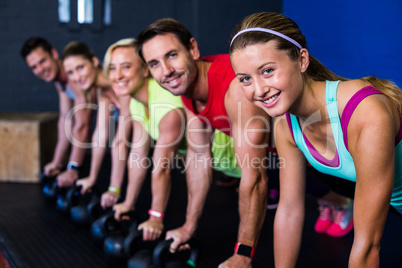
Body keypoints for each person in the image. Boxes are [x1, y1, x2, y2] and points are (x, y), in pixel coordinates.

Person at [229, 11, 402, 268]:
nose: (258, 90)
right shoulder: (286, 126)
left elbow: (366, 247)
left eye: (267, 71)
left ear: (301, 60)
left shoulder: (364, 112)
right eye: (245, 79)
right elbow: (289, 211)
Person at [137, 18, 273, 268]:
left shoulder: (234, 87)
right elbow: (199, 159)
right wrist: (189, 227)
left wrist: (243, 255)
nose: (166, 71)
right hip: (284, 155)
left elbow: (255, 178)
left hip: (322, 150)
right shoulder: (188, 90)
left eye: (172, 55)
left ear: (193, 49)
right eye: (154, 63)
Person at [102, 38, 186, 240]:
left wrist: (156, 217)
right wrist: (128, 202)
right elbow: (138, 155)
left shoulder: (167, 101)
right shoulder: (136, 102)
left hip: (235, 159)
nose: (117, 75)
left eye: (126, 67)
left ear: (145, 70)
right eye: (112, 68)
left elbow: (162, 166)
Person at [61, 41, 133, 191]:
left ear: (94, 61)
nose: (77, 77)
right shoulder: (103, 91)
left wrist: (114, 189)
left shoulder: (121, 83)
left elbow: (120, 140)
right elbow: (100, 134)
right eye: (70, 72)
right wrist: (92, 177)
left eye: (80, 67)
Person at [20, 37, 92, 187]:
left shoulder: (74, 76)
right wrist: (57, 162)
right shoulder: (60, 81)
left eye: (42, 61)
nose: (40, 69)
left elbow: (82, 125)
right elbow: (66, 120)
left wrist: (73, 168)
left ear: (54, 53)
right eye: (34, 67)